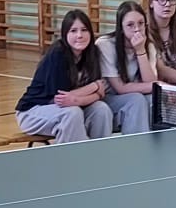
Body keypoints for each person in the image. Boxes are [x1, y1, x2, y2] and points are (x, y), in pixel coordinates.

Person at [16, 10, 113, 143]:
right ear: (65, 34)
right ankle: (75, 156)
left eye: (84, 30)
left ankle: (100, 153)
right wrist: (94, 86)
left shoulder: (93, 53)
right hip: (33, 111)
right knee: (71, 113)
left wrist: (84, 98)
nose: (79, 35)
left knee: (101, 109)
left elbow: (97, 95)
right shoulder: (58, 54)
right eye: (73, 31)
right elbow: (61, 99)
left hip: (71, 107)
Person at [97, 0, 158, 134]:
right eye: (130, 25)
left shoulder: (149, 46)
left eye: (141, 23)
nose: (137, 29)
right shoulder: (105, 45)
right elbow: (120, 88)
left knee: (154, 100)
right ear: (121, 28)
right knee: (136, 100)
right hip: (107, 98)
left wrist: (140, 51)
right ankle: (137, 145)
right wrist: (158, 85)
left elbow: (150, 83)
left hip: (133, 94)